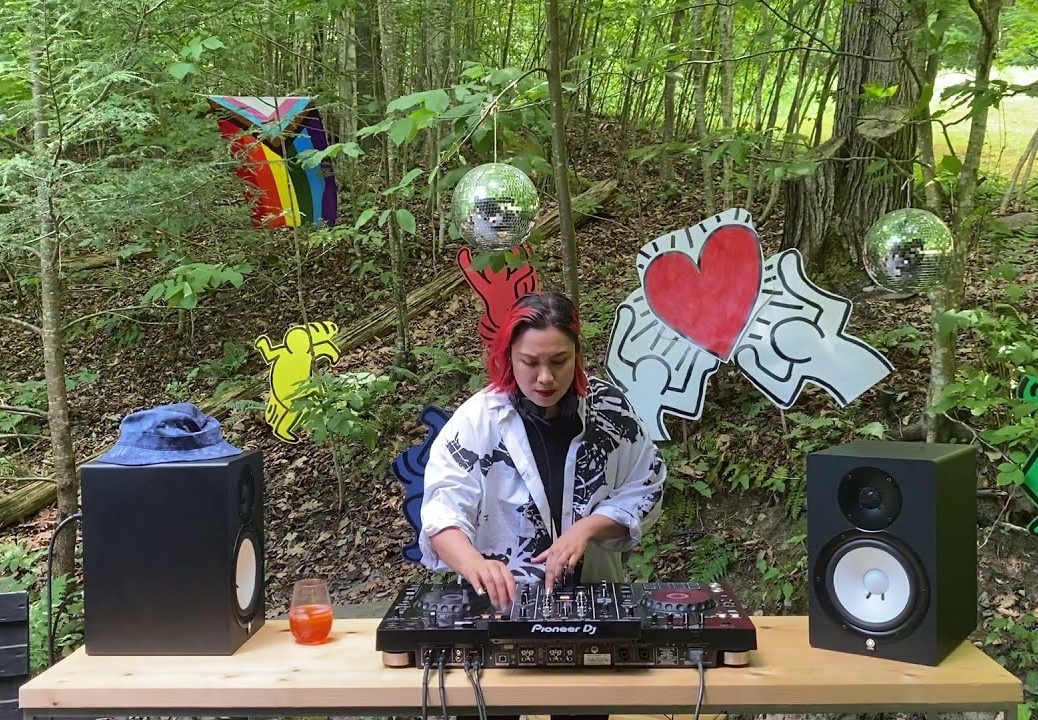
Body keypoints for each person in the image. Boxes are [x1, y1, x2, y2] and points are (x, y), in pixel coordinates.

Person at [419, 290, 667, 610]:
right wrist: (473, 564)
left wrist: (588, 527)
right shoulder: (476, 422)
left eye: (559, 361)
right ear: (509, 357)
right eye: (530, 362)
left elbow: (647, 484)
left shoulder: (610, 411)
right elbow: (442, 513)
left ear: (576, 354)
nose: (546, 377)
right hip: (502, 606)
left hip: (596, 598)